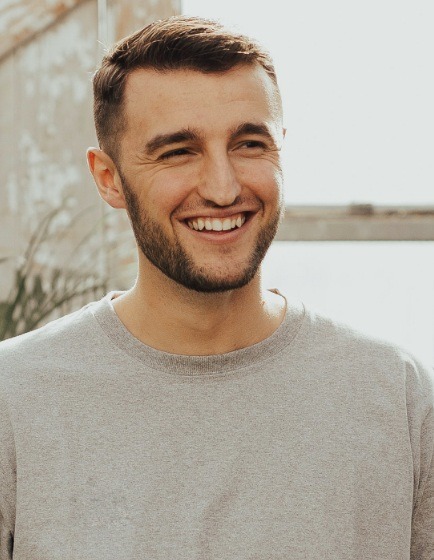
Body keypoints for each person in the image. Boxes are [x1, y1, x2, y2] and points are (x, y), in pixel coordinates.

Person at [0, 15, 433, 560]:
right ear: (108, 177)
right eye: (178, 151)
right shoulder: (14, 399)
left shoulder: (397, 396)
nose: (224, 188)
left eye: (250, 143)